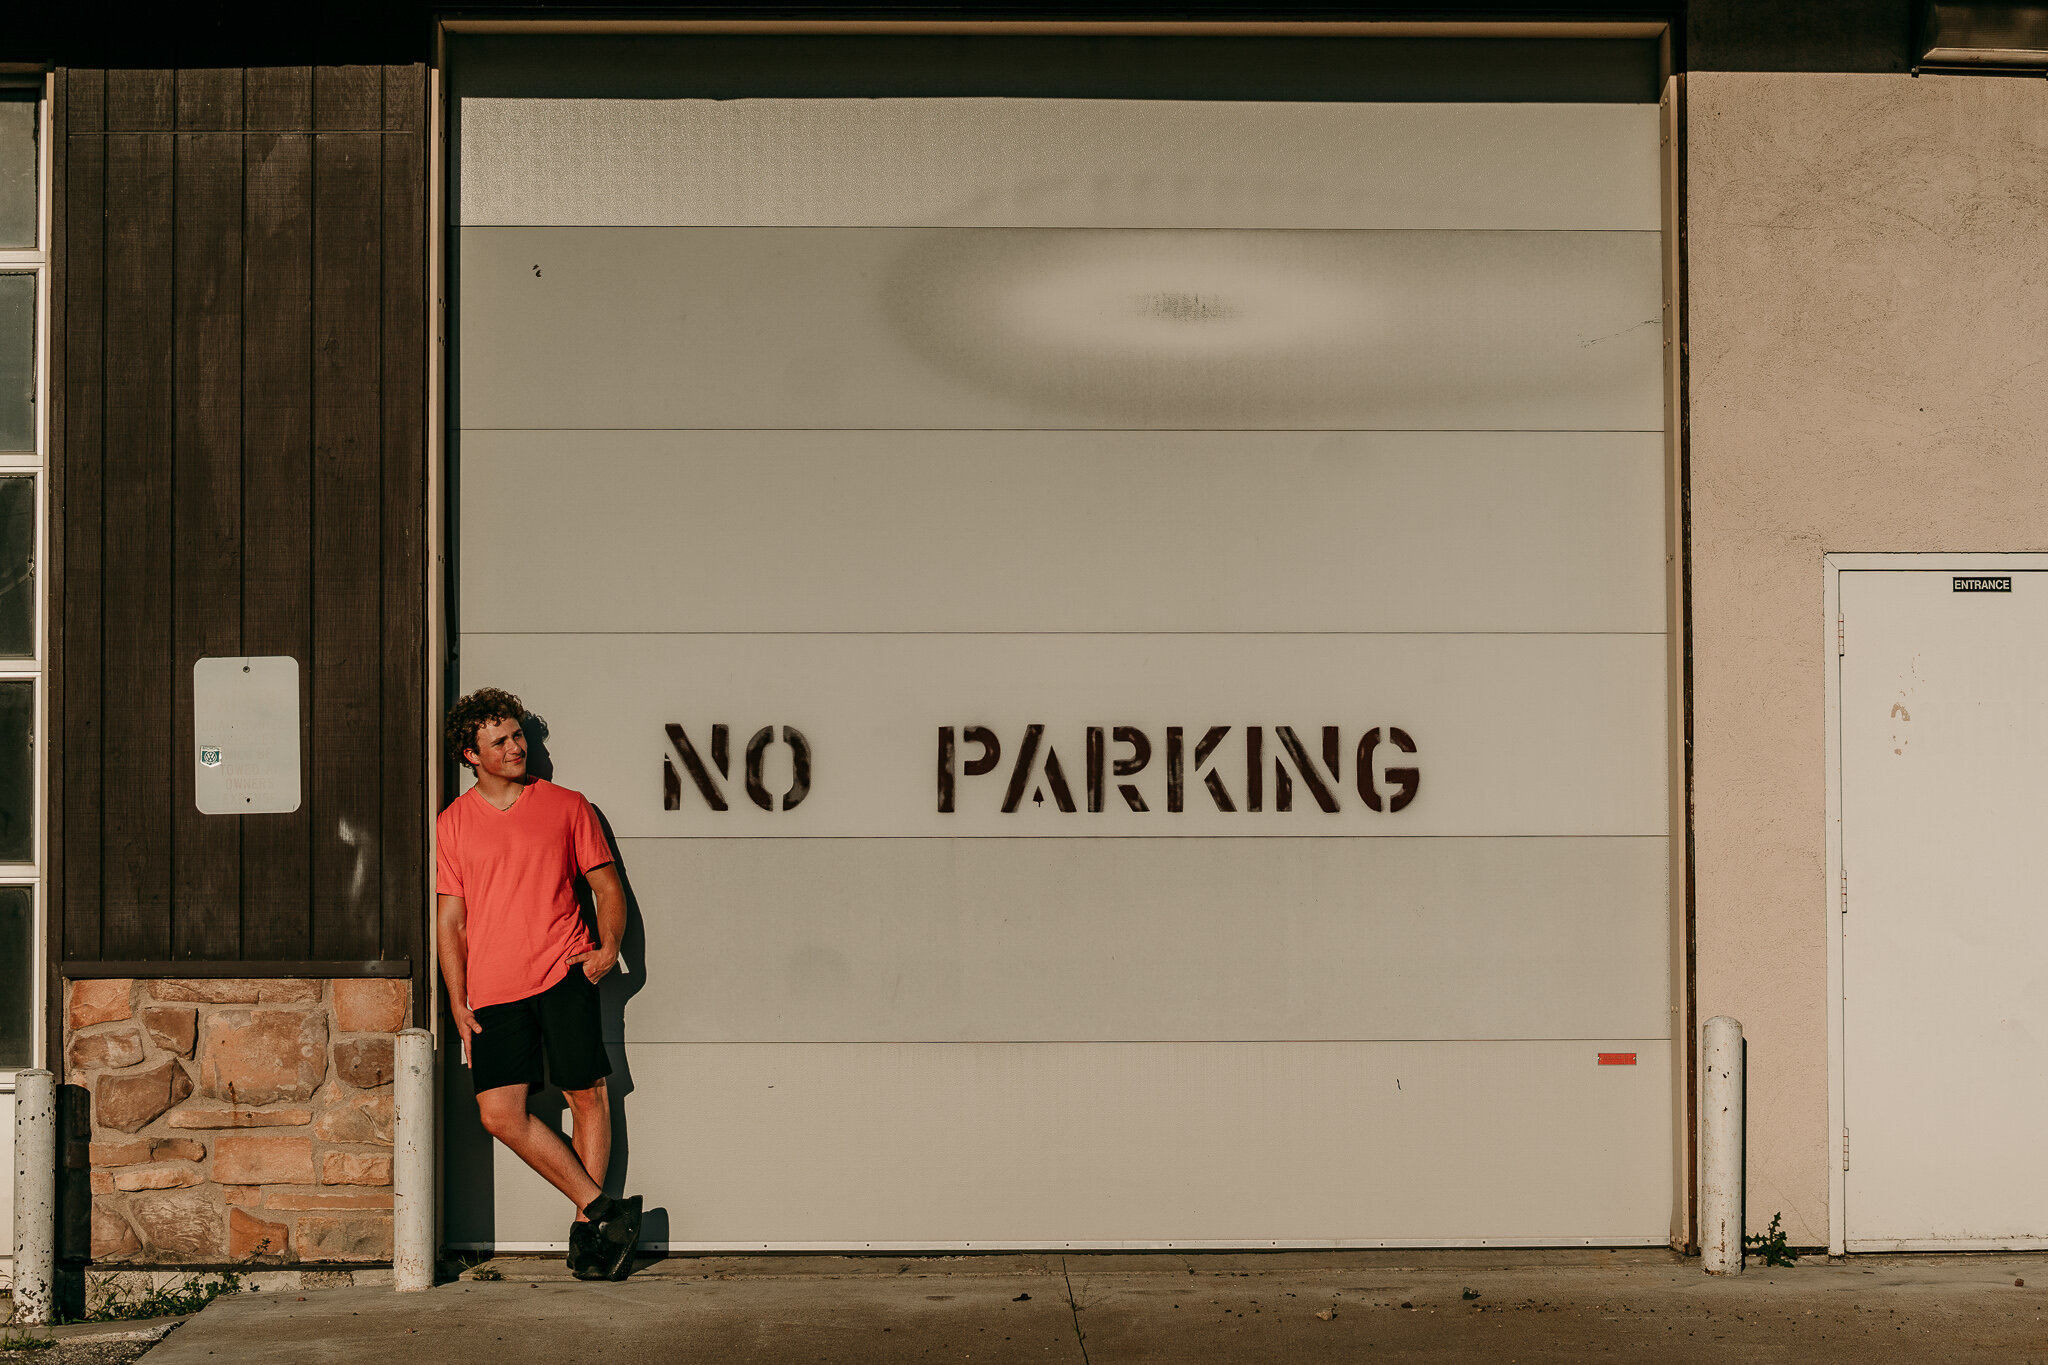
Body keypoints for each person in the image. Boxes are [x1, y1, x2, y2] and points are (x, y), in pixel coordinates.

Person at [436, 686, 641, 1280]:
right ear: (471, 755)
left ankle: (590, 1238)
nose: (515, 747)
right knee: (499, 1114)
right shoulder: (453, 824)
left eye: (518, 735)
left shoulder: (566, 806)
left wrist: (608, 950)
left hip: (563, 972)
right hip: (493, 989)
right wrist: (457, 1001)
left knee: (587, 1096)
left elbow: (606, 888)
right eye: (499, 741)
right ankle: (606, 1212)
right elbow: (451, 921)